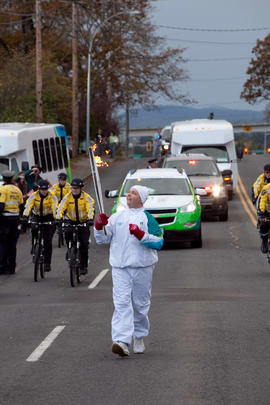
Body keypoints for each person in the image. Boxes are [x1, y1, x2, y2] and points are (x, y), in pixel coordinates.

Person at [94, 185, 164, 357]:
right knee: (122, 303)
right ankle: (122, 341)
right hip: (120, 268)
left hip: (143, 267)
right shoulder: (118, 216)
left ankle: (139, 337)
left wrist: (142, 235)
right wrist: (98, 226)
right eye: (129, 193)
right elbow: (103, 239)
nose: (129, 195)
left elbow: (159, 242)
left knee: (140, 305)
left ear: (141, 198)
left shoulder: (148, 218)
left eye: (133, 193)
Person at [56, 178, 95, 275]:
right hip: (71, 221)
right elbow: (61, 207)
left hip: (83, 222)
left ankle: (84, 266)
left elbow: (90, 208)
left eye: (77, 188)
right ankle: (70, 250)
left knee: (84, 244)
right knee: (67, 235)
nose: (74, 190)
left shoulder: (87, 198)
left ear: (81, 188)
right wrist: (58, 218)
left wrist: (90, 219)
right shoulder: (67, 197)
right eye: (73, 188)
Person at [22, 180, 57, 272]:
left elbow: (55, 207)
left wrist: (56, 218)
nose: (44, 191)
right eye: (42, 189)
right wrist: (25, 216)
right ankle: (34, 245)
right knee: (33, 229)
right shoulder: (34, 195)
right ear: (39, 189)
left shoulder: (52, 196)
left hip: (48, 217)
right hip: (37, 216)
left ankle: (47, 263)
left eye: (46, 189)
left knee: (48, 241)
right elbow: (28, 206)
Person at [0, 171, 24, 275]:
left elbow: (0, 206)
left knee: (3, 244)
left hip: (5, 220)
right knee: (12, 244)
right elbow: (22, 207)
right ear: (12, 178)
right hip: (15, 220)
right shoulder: (17, 190)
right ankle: (12, 267)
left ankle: (2, 267)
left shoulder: (2, 189)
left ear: (4, 179)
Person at [257, 182, 270, 253]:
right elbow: (262, 202)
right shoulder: (266, 188)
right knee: (264, 224)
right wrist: (262, 214)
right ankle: (264, 242)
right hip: (267, 213)